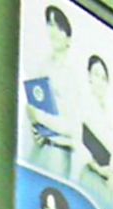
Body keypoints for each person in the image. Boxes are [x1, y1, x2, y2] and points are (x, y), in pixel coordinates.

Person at [24, 5, 78, 178]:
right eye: (50, 24)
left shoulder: (73, 73)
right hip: (40, 148)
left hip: (59, 153)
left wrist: (39, 117)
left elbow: (73, 127)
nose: (53, 31)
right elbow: (34, 103)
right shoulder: (44, 65)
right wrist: (36, 128)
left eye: (59, 27)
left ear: (68, 37)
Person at [76, 55, 113, 209]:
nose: (100, 81)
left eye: (103, 77)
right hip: (91, 173)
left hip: (109, 182)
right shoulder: (83, 106)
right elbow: (78, 140)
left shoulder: (112, 114)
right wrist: (98, 168)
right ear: (89, 77)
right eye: (96, 75)